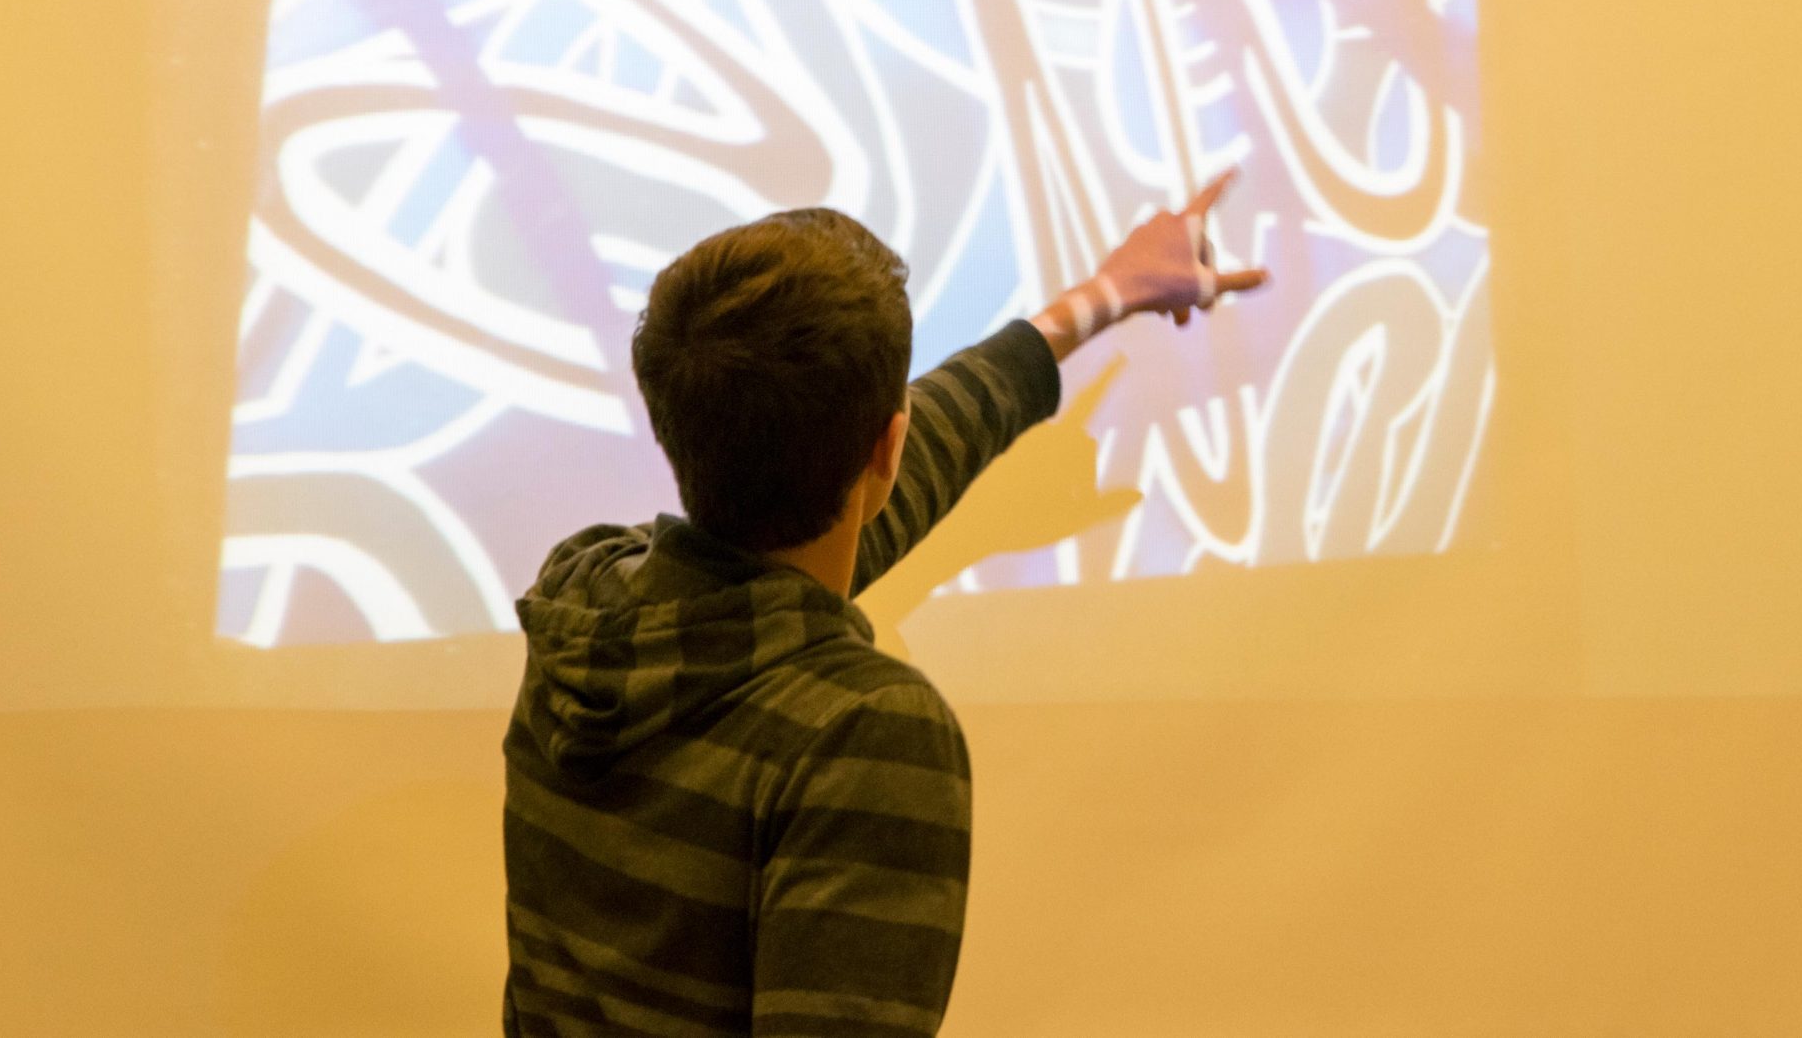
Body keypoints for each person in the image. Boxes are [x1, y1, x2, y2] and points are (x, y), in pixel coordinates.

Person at [501, 171, 1268, 1036]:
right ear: (885, 448)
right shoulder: (858, 728)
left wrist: (1104, 296)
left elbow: (915, 448)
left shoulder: (582, 601)